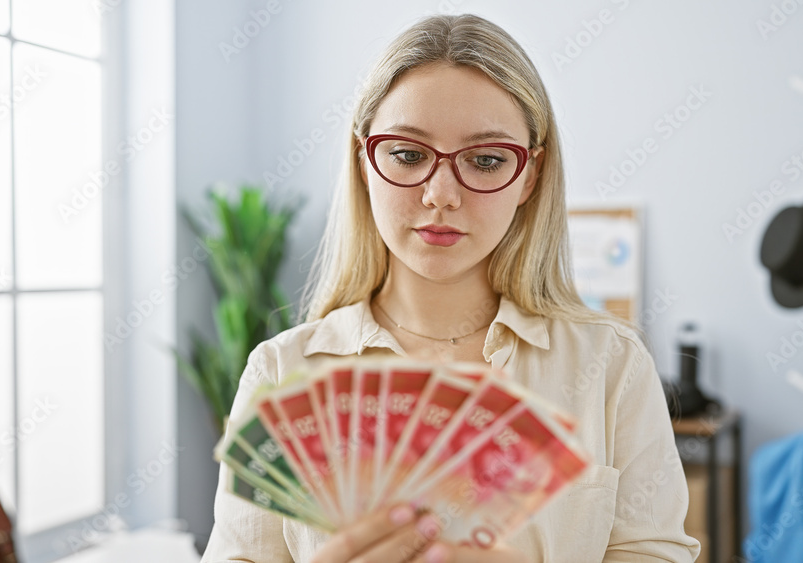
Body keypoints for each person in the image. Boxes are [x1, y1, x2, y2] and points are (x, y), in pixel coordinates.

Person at [203, 13, 701, 563]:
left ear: (529, 177)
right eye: (409, 155)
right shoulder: (279, 374)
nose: (441, 194)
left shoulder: (611, 367)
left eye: (486, 161)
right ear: (364, 161)